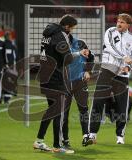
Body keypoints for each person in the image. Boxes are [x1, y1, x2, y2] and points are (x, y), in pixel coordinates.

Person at [33, 14, 89, 153]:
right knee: (59, 111)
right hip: (55, 76)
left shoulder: (48, 33)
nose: (72, 31)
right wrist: (79, 53)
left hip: (44, 75)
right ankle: (58, 146)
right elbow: (67, 58)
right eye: (72, 28)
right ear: (67, 26)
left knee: (52, 110)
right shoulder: (60, 35)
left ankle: (39, 141)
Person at [86, 13, 132, 145]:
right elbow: (110, 47)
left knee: (122, 105)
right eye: (118, 21)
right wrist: (123, 57)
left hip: (122, 75)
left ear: (128, 25)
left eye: (122, 22)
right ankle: (92, 134)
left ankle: (120, 136)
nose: (119, 24)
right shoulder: (110, 31)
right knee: (98, 101)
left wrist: (128, 67)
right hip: (107, 70)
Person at [62, 36, 94, 149]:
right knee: (64, 112)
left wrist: (87, 71)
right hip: (64, 83)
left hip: (80, 81)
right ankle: (65, 140)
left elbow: (91, 56)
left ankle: (86, 136)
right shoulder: (59, 44)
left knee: (83, 109)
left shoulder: (80, 43)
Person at [2, 32, 18, 104]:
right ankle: (7, 98)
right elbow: (13, 56)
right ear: (9, 37)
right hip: (11, 66)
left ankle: (5, 96)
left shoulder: (3, 44)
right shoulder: (11, 45)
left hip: (4, 66)